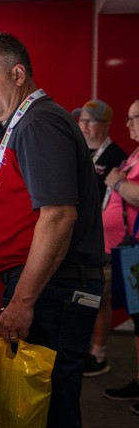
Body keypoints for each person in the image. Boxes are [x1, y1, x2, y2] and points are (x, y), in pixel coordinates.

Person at [0, 31, 105, 428]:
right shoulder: (30, 121)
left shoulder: (39, 123)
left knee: (52, 418)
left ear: (19, 74)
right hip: (48, 287)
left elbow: (59, 216)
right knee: (45, 413)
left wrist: (23, 300)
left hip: (52, 290)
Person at [71, 99, 128, 377]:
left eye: (89, 120)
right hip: (79, 238)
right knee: (83, 294)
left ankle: (99, 353)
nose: (83, 124)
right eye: (80, 119)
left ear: (105, 125)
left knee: (101, 298)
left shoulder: (118, 157)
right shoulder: (78, 152)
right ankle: (83, 348)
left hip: (106, 242)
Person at [101, 98, 139, 416]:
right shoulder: (136, 153)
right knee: (138, 318)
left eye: (134, 118)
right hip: (128, 249)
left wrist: (118, 182)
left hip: (137, 247)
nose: (127, 124)